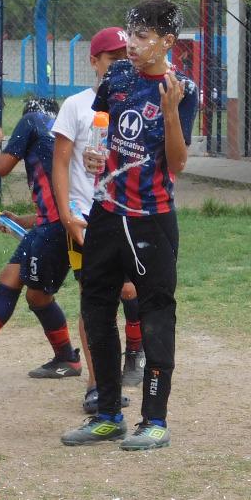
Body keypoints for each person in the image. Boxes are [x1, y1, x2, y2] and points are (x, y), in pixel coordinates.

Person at [61, 0, 197, 452]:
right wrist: (94, 153)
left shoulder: (184, 89)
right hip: (106, 212)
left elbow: (177, 163)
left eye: (142, 36)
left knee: (156, 313)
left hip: (151, 219)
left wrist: (173, 111)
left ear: (167, 41)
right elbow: (102, 132)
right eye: (130, 33)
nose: (131, 44)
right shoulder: (117, 77)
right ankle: (107, 414)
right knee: (96, 308)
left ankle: (154, 420)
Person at [52, 26, 143, 413]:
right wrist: (68, 216)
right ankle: (95, 383)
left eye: (126, 57)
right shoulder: (77, 105)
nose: (121, 64)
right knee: (95, 302)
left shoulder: (140, 104)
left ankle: (134, 360)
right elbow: (59, 164)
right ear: (94, 61)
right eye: (112, 58)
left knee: (135, 294)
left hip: (130, 215)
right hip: (88, 219)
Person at [0, 96, 81, 377]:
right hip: (54, 224)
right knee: (8, 278)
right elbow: (58, 204)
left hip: (54, 230)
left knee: (37, 297)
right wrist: (22, 221)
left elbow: (0, 167)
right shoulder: (57, 133)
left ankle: (67, 358)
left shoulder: (32, 120)